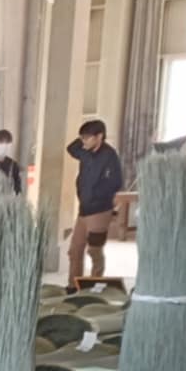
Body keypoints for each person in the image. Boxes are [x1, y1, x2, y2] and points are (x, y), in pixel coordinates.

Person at [64, 119, 124, 284]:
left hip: (100, 210)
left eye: (87, 137)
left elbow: (116, 182)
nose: (83, 141)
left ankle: (95, 283)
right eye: (82, 137)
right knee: (75, 250)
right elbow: (71, 149)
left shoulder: (109, 155)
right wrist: (82, 139)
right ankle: (73, 285)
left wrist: (96, 194)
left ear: (99, 137)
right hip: (83, 209)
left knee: (94, 250)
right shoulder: (85, 151)